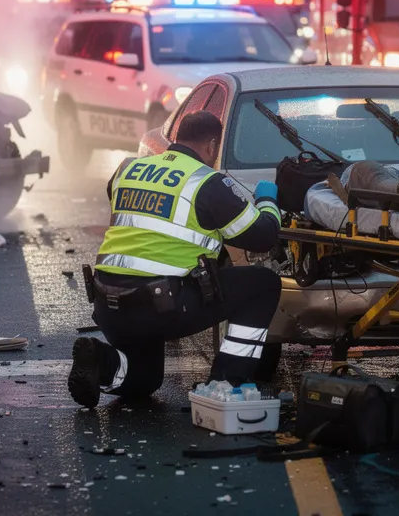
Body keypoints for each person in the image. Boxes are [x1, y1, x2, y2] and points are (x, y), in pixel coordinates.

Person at [68, 111, 282, 408]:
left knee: (145, 380)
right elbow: (262, 236)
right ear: (211, 145)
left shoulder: (128, 168)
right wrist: (268, 201)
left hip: (108, 306)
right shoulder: (206, 182)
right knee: (264, 284)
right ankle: (227, 382)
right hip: (161, 306)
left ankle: (100, 359)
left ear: (176, 139)